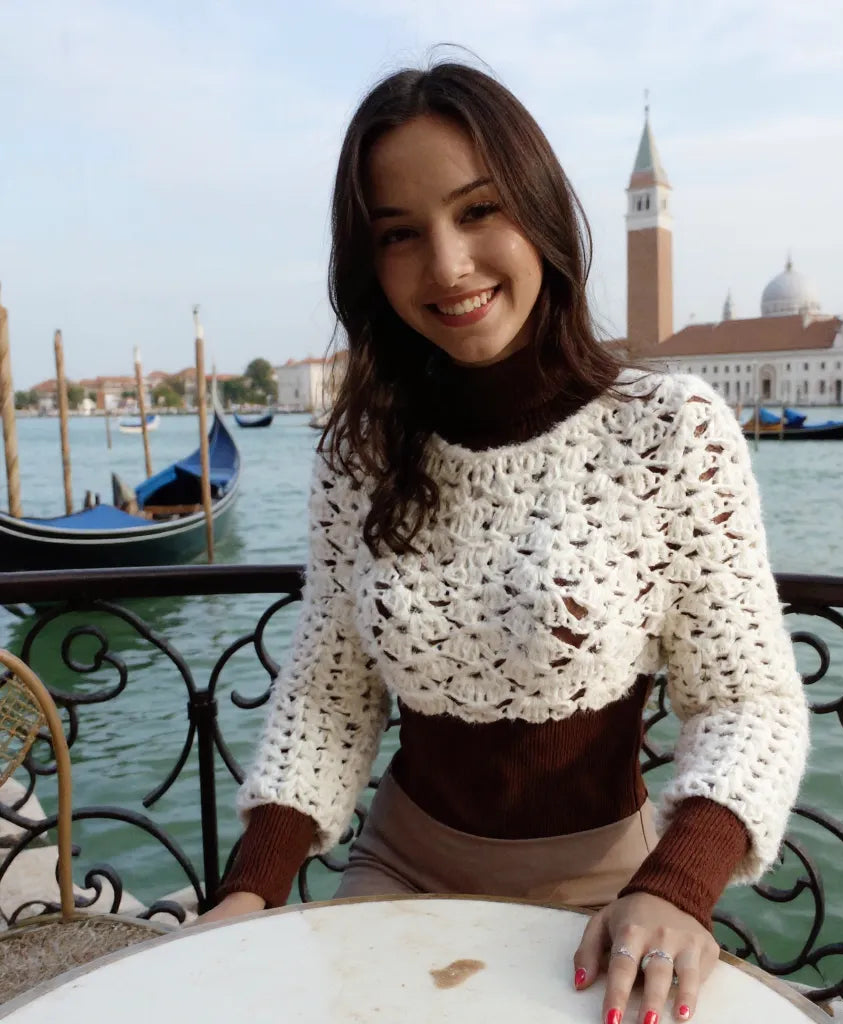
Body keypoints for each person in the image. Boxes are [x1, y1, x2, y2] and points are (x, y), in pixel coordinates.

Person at [202, 62, 809, 1024]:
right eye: (400, 234)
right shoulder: (359, 453)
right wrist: (250, 887)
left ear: (540, 211)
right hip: (398, 868)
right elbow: (328, 690)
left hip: (611, 895)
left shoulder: (670, 429)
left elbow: (749, 701)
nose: (447, 265)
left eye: (478, 210)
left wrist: (680, 882)